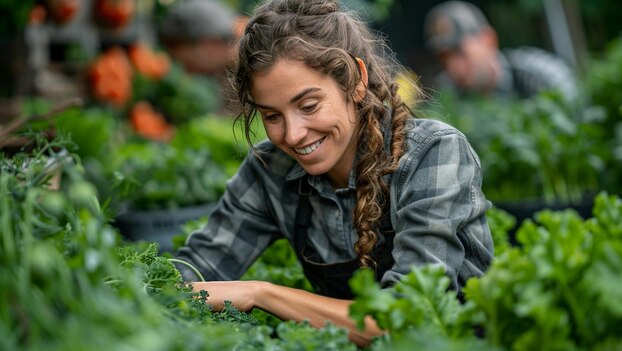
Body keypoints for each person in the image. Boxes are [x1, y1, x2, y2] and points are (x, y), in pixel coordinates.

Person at [174, 0, 494, 347]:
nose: (293, 134)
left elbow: (409, 319)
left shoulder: (433, 154)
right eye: (272, 116)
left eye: (308, 106)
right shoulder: (271, 171)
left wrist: (261, 294)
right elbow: (194, 268)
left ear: (356, 81)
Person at [423, 1, 579, 102]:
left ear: (488, 40)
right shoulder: (447, 95)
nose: (453, 68)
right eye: (443, 59)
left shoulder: (539, 75)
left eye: (460, 52)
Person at [158, 0, 247, 112]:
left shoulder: (257, 63)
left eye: (187, 62)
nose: (188, 71)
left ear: (209, 44)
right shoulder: (231, 69)